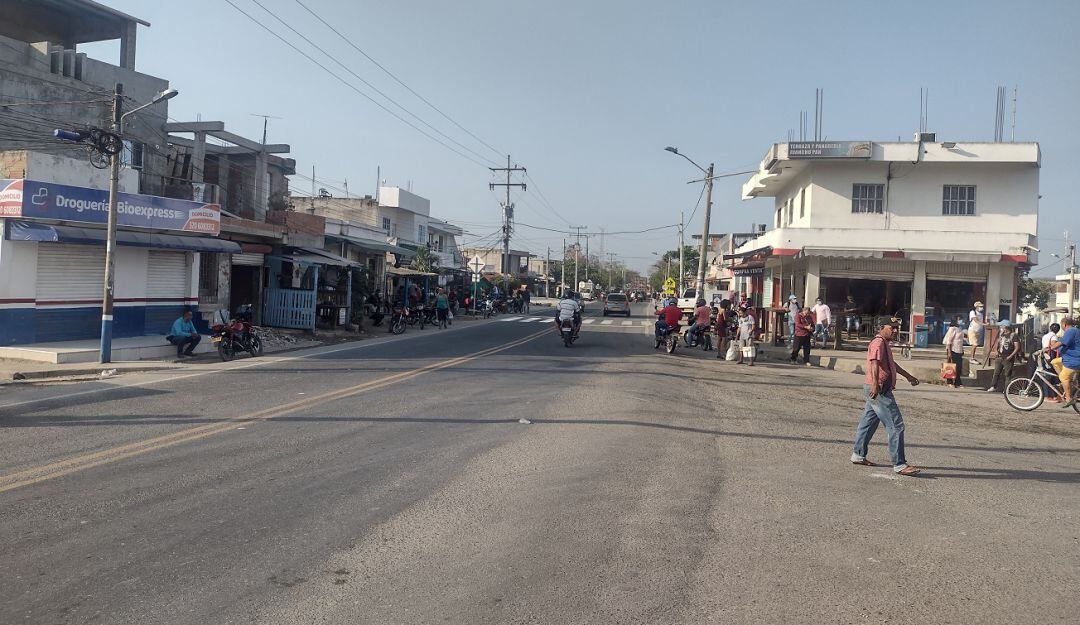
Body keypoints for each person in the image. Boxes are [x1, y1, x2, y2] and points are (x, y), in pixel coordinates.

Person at [850, 322, 921, 476]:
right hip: (879, 389)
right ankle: (899, 464)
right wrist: (875, 384)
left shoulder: (885, 343)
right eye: (891, 328)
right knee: (896, 425)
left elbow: (891, 364)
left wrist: (908, 376)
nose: (895, 331)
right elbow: (874, 363)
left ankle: (858, 455)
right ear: (881, 328)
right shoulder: (878, 343)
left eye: (896, 328)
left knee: (868, 422)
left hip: (878, 388)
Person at [1049, 317, 1080, 408]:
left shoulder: (1070, 331)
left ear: (1064, 324)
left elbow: (1061, 343)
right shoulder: (1074, 331)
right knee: (1054, 362)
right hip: (1069, 358)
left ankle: (1068, 398)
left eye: (1061, 325)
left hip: (1073, 361)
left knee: (1063, 377)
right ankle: (1065, 382)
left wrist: (1051, 347)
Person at [986, 321, 1022, 392]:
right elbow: (997, 343)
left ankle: (1006, 389)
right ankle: (993, 386)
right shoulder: (1001, 334)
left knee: (1007, 374)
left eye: (1002, 326)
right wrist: (996, 351)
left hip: (1008, 357)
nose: (1001, 328)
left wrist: (1011, 356)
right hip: (999, 356)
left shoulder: (1013, 335)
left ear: (1005, 327)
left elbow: (1017, 347)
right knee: (996, 372)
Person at [1040, 323, 1062, 402]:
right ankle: (1048, 396)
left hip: (1045, 356)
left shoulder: (1045, 336)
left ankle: (1052, 395)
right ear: (1058, 330)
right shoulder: (1054, 336)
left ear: (1050, 328)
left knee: (1049, 375)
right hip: (1050, 357)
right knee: (1051, 376)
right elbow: (1053, 345)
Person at [942, 317, 966, 388]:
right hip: (952, 350)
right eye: (959, 319)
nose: (961, 321)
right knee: (950, 367)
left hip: (959, 350)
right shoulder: (952, 329)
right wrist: (949, 352)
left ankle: (957, 382)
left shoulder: (959, 328)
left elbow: (960, 341)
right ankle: (949, 381)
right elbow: (949, 341)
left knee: (959, 367)